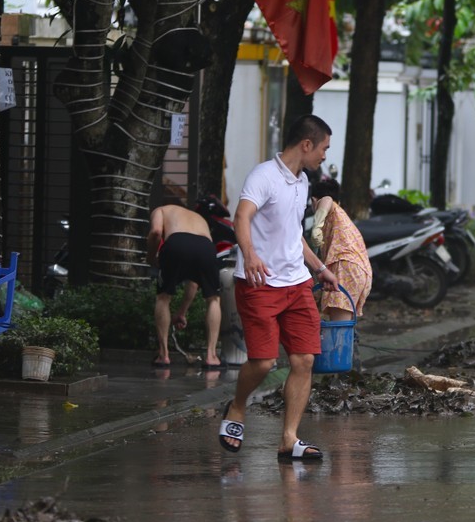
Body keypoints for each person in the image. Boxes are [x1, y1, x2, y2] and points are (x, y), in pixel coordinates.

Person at [218, 115, 339, 460]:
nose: (324, 156)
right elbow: (241, 217)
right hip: (260, 282)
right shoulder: (263, 176)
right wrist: (251, 254)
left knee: (304, 359)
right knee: (263, 362)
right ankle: (238, 407)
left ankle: (289, 438)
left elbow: (292, 234)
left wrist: (319, 268)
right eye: (324, 148)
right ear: (306, 145)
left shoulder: (302, 183)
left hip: (297, 284)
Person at [147, 200, 223, 369]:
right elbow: (193, 282)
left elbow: (156, 232)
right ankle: (212, 357)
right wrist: (182, 312)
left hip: (176, 242)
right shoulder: (198, 218)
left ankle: (164, 355)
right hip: (206, 247)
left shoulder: (160, 208)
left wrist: (151, 258)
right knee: (213, 299)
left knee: (163, 297)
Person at [308, 175, 371, 320]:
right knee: (340, 325)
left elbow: (326, 200)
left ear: (313, 201)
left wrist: (316, 226)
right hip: (358, 270)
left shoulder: (328, 205)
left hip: (346, 268)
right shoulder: (338, 214)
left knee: (339, 330)